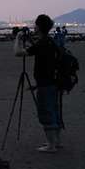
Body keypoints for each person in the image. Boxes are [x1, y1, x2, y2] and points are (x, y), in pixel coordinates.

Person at [14, 14, 61, 153]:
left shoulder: (42, 44)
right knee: (54, 110)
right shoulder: (50, 41)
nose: (34, 27)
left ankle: (51, 145)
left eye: (35, 25)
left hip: (45, 83)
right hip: (54, 82)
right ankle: (56, 141)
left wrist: (18, 39)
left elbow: (18, 53)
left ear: (39, 27)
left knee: (45, 112)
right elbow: (36, 49)